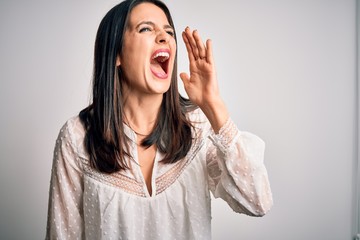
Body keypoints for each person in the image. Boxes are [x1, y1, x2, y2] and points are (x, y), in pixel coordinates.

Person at [45, 0, 273, 239]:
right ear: (116, 54)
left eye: (169, 31)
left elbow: (257, 202)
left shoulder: (197, 126)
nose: (164, 37)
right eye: (146, 28)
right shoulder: (77, 136)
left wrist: (212, 104)